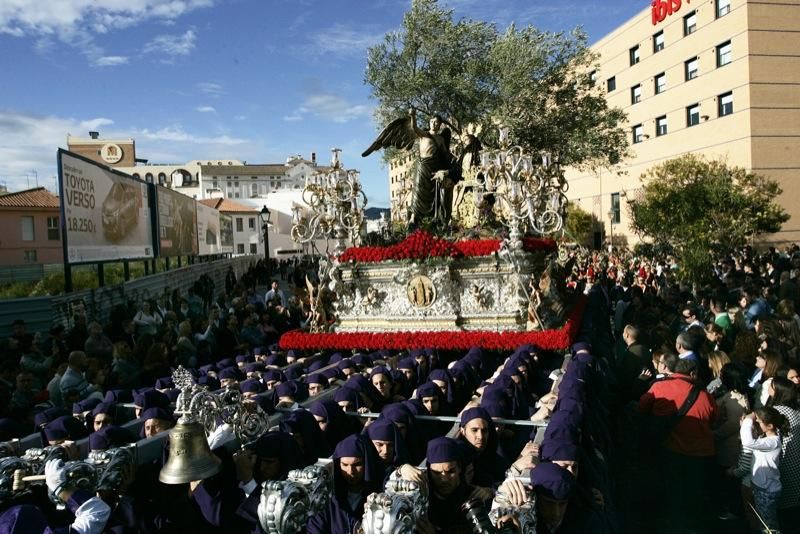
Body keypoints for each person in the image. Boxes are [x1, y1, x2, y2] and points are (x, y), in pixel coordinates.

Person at [307, 434, 383, 534]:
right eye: (345, 465)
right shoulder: (327, 498)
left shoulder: (381, 493)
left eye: (357, 465)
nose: (350, 471)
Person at [740, 407, 788, 533]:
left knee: (769, 526)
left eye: (759, 421)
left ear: (770, 426)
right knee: (765, 522)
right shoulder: (766, 439)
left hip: (767, 491)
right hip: (763, 488)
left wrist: (748, 420)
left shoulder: (773, 442)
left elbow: (748, 442)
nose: (756, 422)